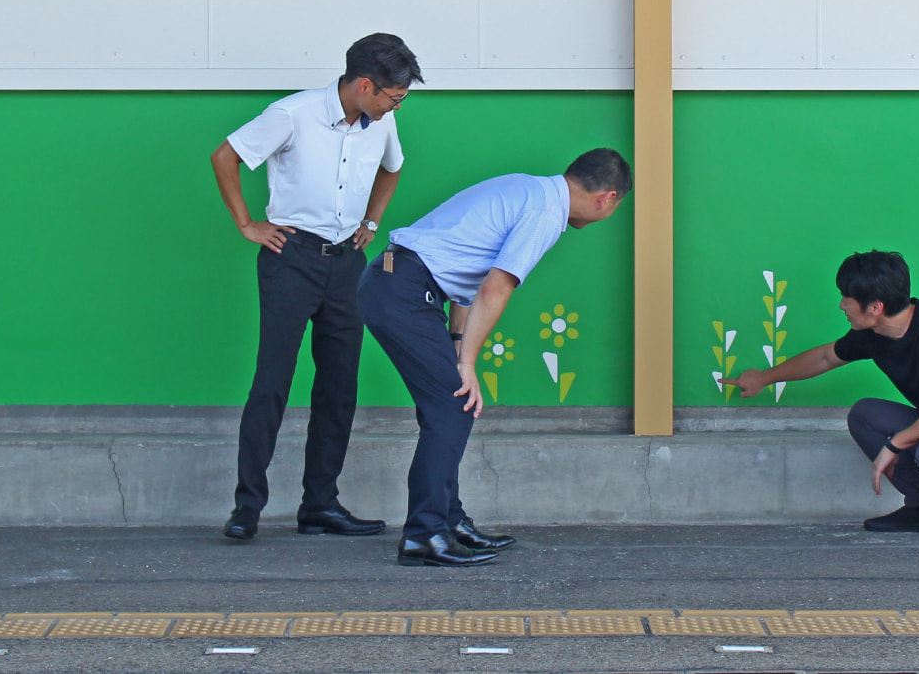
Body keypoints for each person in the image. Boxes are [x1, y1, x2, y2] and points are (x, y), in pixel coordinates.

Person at [358, 148, 632, 567]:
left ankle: (449, 522)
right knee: (454, 406)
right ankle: (424, 534)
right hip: (403, 288)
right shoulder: (545, 213)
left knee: (448, 406)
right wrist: (467, 365)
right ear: (607, 198)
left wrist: (456, 342)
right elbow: (496, 288)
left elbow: (467, 277)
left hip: (401, 281)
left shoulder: (531, 188)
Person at [209, 33, 422, 542]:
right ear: (365, 84)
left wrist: (372, 221)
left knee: (339, 385)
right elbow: (225, 157)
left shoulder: (381, 121)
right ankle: (247, 507)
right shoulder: (292, 114)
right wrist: (247, 225)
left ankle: (320, 504)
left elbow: (393, 168)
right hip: (291, 259)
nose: (397, 105)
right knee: (272, 382)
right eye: (394, 96)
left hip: (347, 263)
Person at [725, 250, 919, 545]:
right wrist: (764, 378)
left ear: (875, 307)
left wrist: (894, 445)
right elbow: (824, 358)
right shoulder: (874, 334)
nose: (842, 305)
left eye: (847, 298)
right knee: (865, 415)